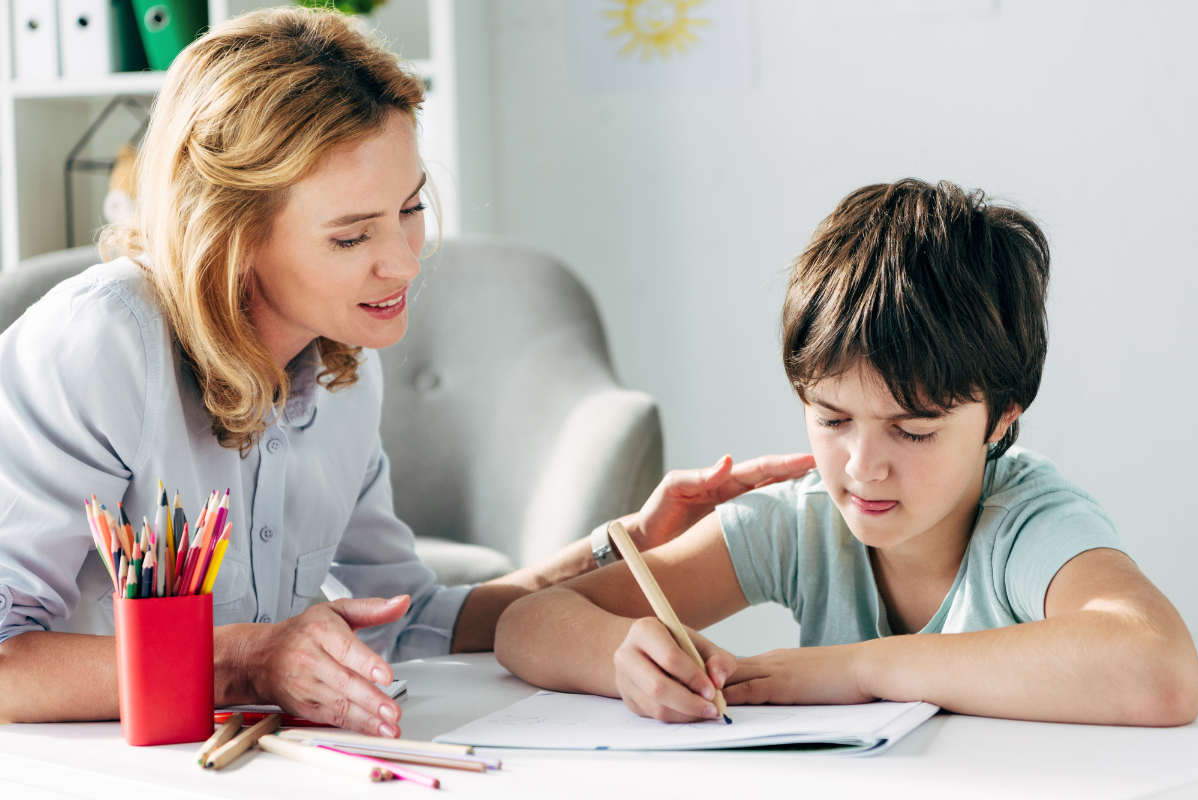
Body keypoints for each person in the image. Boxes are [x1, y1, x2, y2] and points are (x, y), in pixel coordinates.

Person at [0, 8, 815, 735]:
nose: (402, 263)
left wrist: (619, 549)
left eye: (412, 208)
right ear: (231, 234)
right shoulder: (99, 346)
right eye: (351, 238)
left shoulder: (343, 365)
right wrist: (247, 660)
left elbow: (411, 619)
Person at [495, 179, 1198, 727]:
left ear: (999, 420)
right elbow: (527, 623)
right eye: (832, 419)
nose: (863, 467)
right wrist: (621, 658)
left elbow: (1159, 666)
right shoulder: (801, 521)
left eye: (913, 430)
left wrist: (859, 669)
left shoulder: (1028, 524)